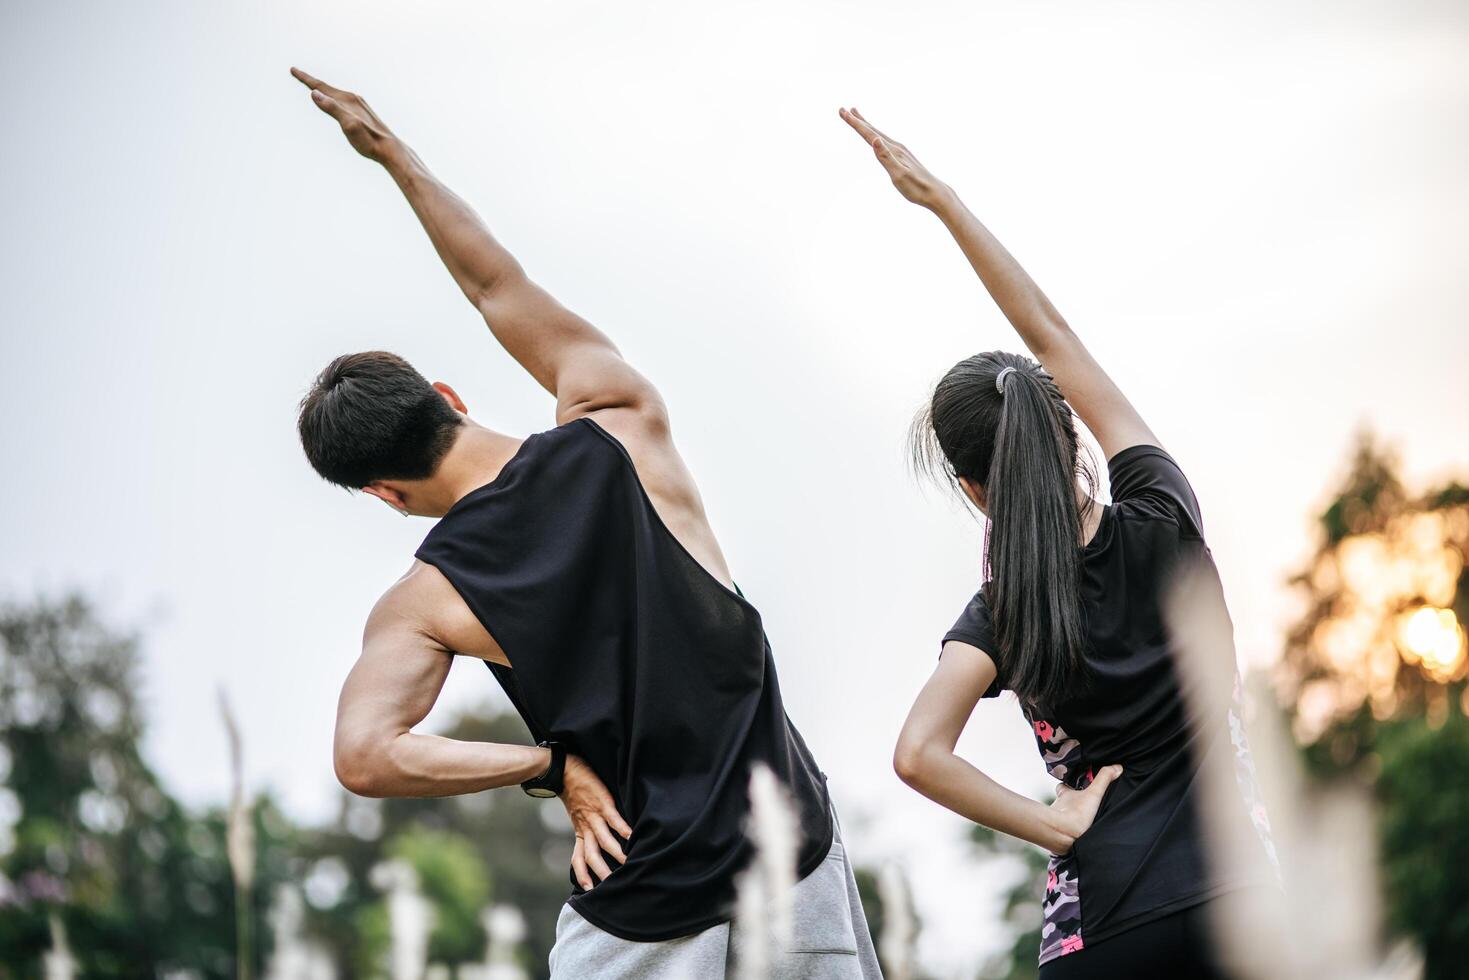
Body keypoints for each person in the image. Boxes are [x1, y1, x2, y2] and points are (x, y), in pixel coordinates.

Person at [289, 68, 881, 980]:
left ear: (382, 493)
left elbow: (365, 757)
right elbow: (496, 285)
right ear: (447, 397)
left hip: (640, 908)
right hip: (788, 858)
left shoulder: (421, 604)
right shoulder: (616, 416)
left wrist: (548, 767)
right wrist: (395, 156)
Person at [839, 107, 1277, 977]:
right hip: (1244, 911)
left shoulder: (1001, 613)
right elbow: (1052, 337)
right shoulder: (1163, 513)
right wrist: (942, 201)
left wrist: (1053, 822)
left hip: (1103, 930)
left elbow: (916, 755)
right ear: (1067, 432)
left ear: (970, 487)